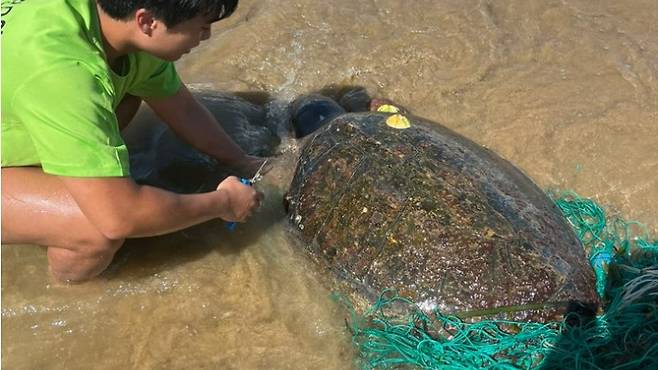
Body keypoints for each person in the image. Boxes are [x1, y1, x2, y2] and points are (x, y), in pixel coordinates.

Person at [1, 0, 266, 282]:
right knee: (96, 231)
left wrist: (242, 161)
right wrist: (224, 203)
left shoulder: (116, 28)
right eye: (202, 26)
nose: (207, 36)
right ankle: (66, 292)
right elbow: (119, 218)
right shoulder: (62, 72)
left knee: (129, 93)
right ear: (147, 22)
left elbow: (181, 108)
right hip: (48, 87)